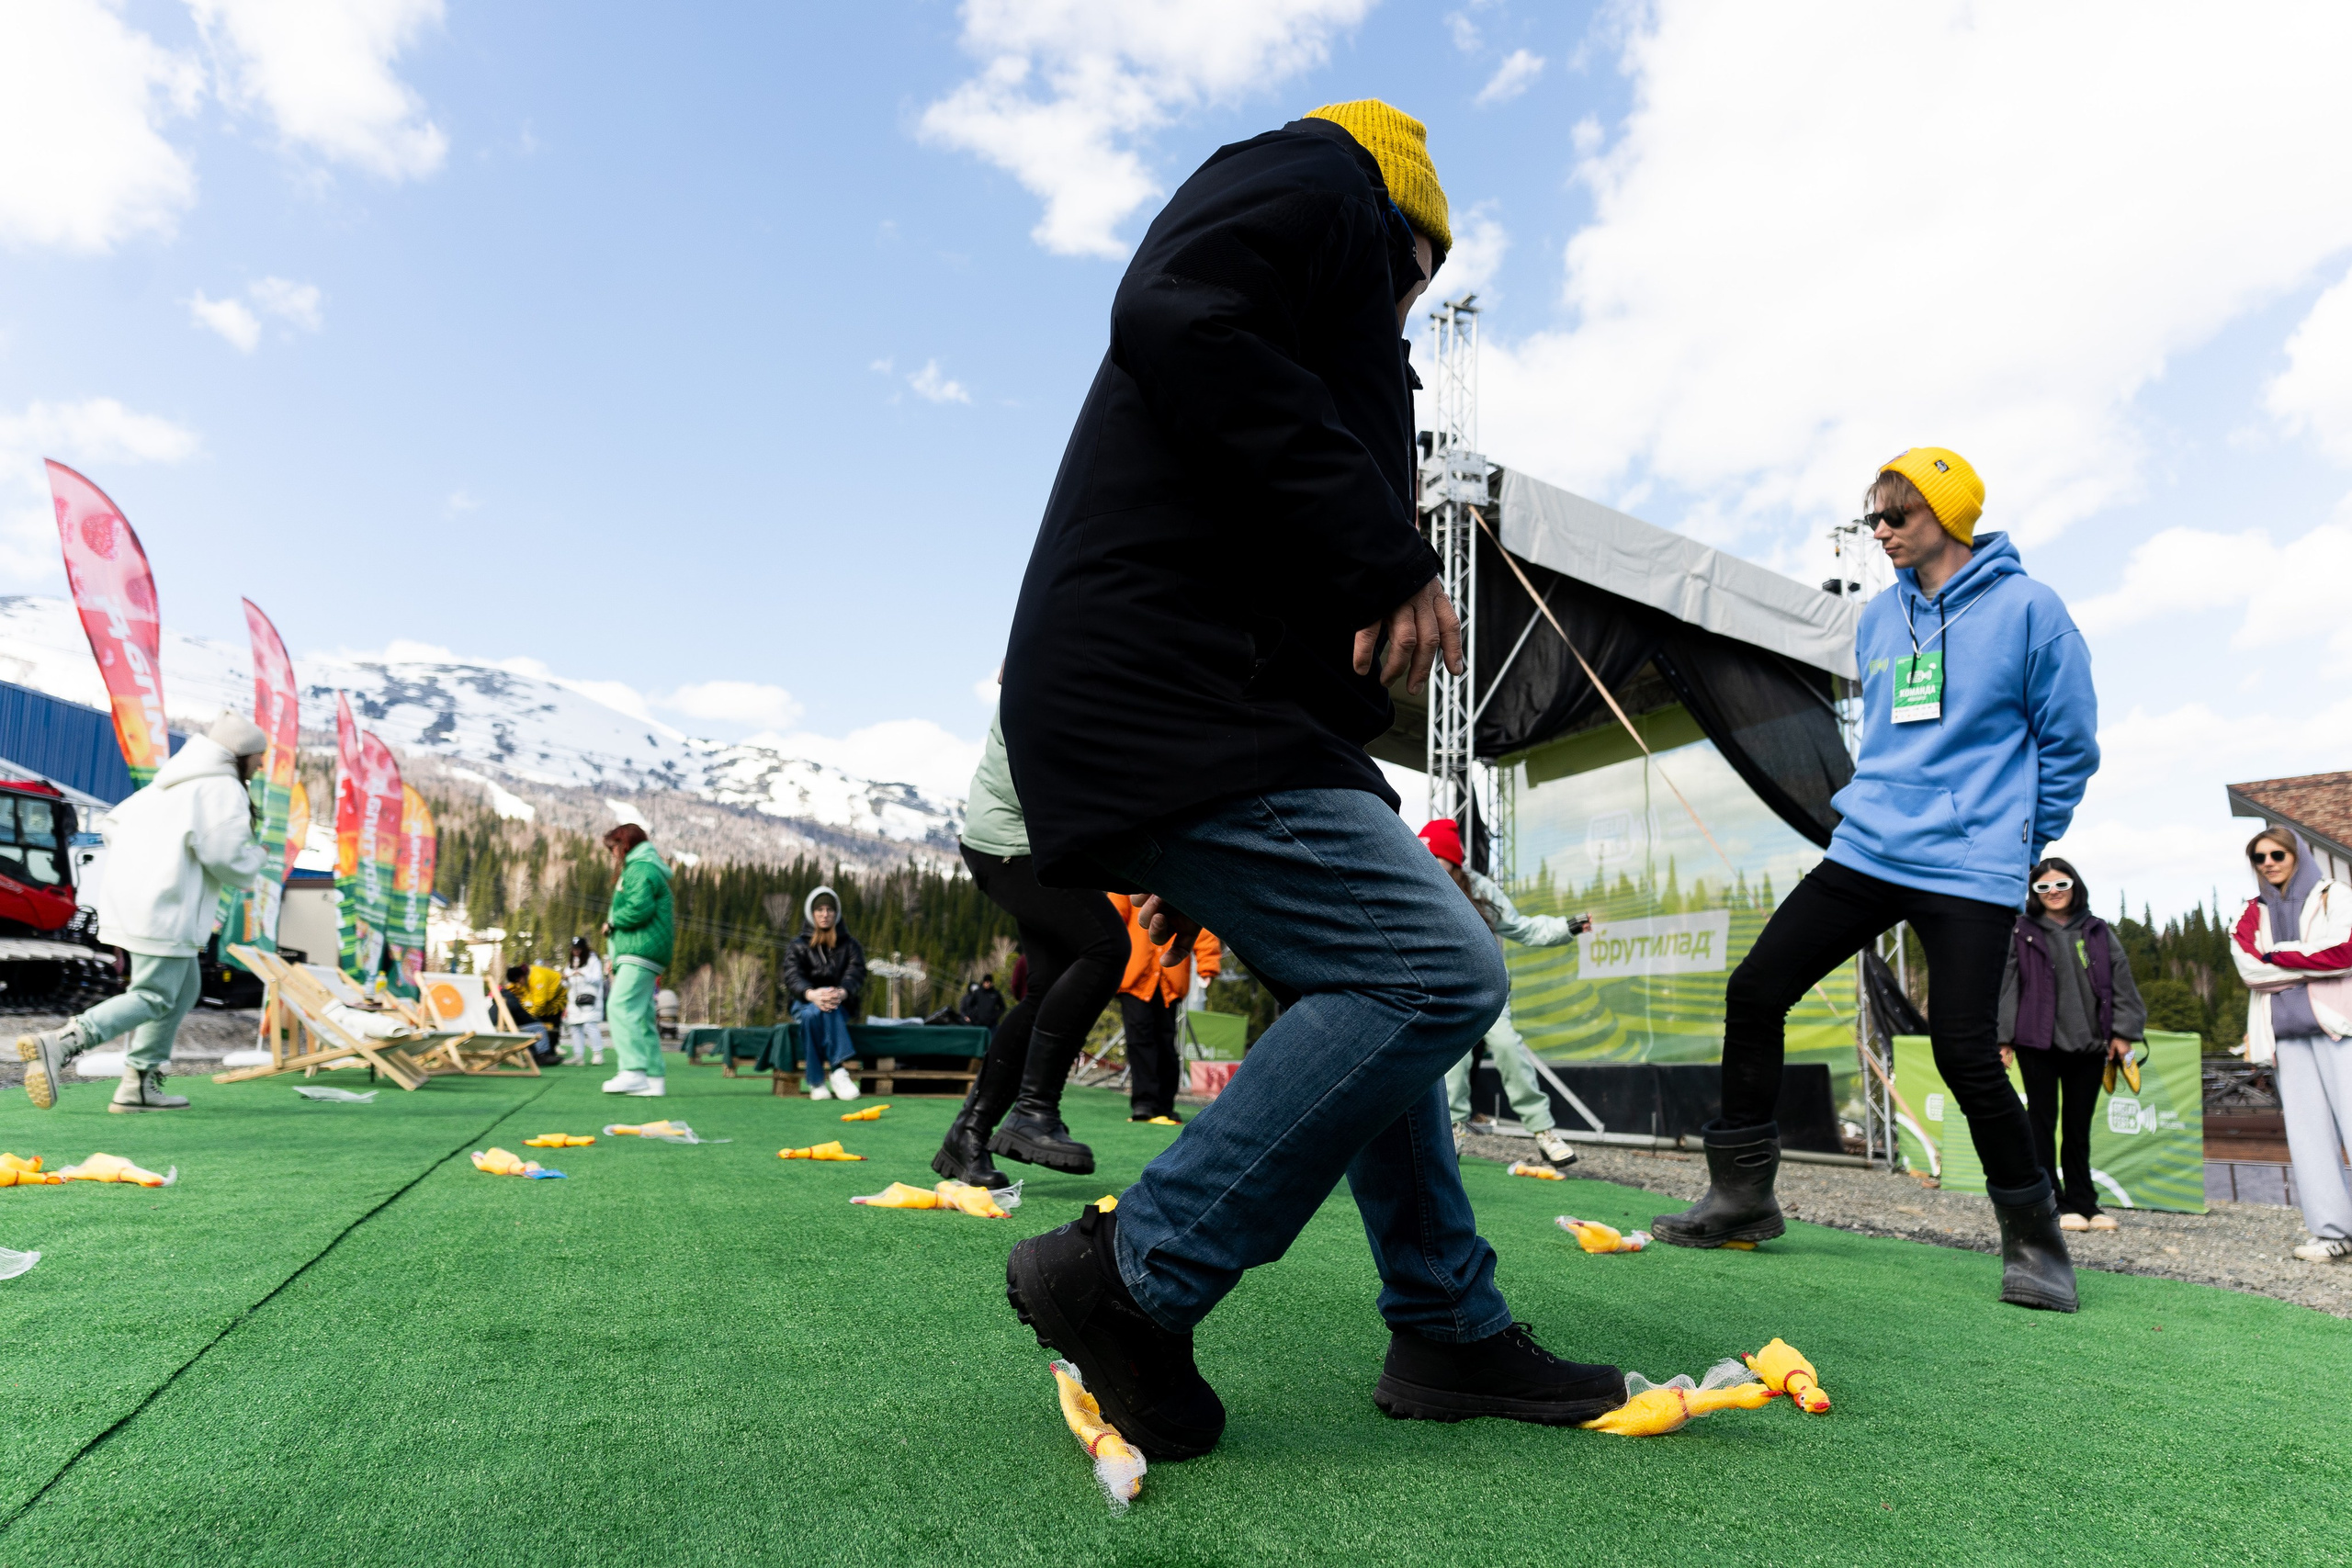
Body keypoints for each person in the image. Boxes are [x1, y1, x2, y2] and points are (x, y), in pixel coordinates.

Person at [1001, 99, 1627, 1463]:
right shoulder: (1326, 180)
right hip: (1170, 692)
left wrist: (1349, 640)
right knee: (1438, 971)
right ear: (1412, 233)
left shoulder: (1327, 266)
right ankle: (1133, 1271)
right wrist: (1379, 548)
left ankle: (1447, 1321)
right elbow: (1174, 312)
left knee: (1378, 964)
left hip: (1220, 698)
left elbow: (1252, 461)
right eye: (1417, 290)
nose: (1406, 320)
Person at [1651, 448, 2100, 1314]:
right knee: (1756, 989)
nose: (1883, 533)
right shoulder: (1878, 619)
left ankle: (2037, 1240)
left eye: (1900, 516)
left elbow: (2071, 746)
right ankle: (1742, 1195)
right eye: (1874, 520)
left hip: (1969, 864)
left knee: (1967, 1050)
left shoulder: (2033, 611)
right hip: (1868, 849)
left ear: (1952, 516)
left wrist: (2016, 839)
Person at [17, 714, 268, 1113]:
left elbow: (113, 824)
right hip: (168, 907)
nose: (261, 765)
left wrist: (153, 862)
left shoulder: (169, 784)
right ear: (238, 754)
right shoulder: (222, 787)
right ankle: (62, 1043)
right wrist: (256, 857)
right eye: (258, 757)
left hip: (144, 901)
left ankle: (138, 1084)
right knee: (153, 995)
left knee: (183, 991)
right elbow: (225, 854)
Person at [936, 696, 1128, 1185]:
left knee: (1050, 985)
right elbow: (1052, 774)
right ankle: (1033, 1111)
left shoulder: (1085, 655)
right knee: (1105, 946)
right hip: (1013, 842)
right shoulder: (1058, 658)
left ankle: (969, 1135)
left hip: (1023, 843)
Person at [1418, 819, 1589, 1170]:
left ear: (1451, 859)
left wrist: (1566, 926)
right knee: (1455, 1058)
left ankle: (1544, 1133)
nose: (1424, 859)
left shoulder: (1480, 889)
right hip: (1444, 989)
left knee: (1509, 1047)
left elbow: (1522, 927)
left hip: (1487, 986)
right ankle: (1453, 1129)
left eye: (1432, 853)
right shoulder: (1414, 884)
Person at [1996, 857, 2146, 1232]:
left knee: (2078, 1127)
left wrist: (2123, 1033)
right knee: (2041, 1124)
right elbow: (2007, 986)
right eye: (2043, 887)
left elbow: (2121, 980)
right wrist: (2002, 1039)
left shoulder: (2097, 930)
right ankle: (2053, 1203)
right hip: (2036, 1043)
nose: (2053, 893)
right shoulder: (2021, 930)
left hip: (2091, 1044)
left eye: (2061, 884)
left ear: (2075, 886)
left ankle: (2085, 1203)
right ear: (2033, 893)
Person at [2229, 827, 2352, 1264]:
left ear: (2296, 853)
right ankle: (2332, 1232)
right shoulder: (2250, 912)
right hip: (2284, 1036)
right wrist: (2308, 961)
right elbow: (2248, 969)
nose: (2269, 863)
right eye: (2259, 857)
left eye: (2277, 853)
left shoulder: (2334, 895)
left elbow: (2346, 951)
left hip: (2341, 1029)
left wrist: (2277, 955)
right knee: (2308, 1137)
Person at [1111, 893, 1221, 1124]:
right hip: (1135, 979)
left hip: (1169, 981)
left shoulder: (1180, 877)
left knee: (1166, 1042)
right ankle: (1144, 1103)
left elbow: (1202, 926)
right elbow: (1111, 918)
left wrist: (1208, 965)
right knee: (1139, 1042)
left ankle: (1165, 1105)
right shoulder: (1124, 882)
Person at [599, 823, 673, 1097]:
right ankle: (654, 1079)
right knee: (641, 1015)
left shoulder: (640, 868)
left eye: (614, 848)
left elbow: (639, 909)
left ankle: (632, 1071)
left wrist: (612, 922)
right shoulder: (646, 866)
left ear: (625, 845)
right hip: (646, 951)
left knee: (619, 1006)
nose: (613, 854)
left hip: (641, 951)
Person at [782, 886, 866, 1100]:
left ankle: (817, 1081)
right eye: (819, 909)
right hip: (805, 1001)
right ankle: (838, 1070)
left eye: (829, 909)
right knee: (812, 1011)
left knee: (818, 1013)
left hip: (840, 1003)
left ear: (836, 913)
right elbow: (792, 976)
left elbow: (856, 973)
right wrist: (811, 995)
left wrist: (841, 992)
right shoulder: (797, 946)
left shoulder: (850, 945)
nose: (825, 914)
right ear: (811, 913)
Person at [501, 964, 560, 1066]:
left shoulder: (503, 996)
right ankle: (542, 1055)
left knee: (532, 1025)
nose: (519, 986)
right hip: (507, 1029)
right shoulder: (512, 1000)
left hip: (499, 1027)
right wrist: (535, 1019)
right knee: (539, 1027)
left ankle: (539, 1053)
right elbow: (527, 1015)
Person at [563, 935, 607, 1067]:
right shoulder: (570, 963)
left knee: (590, 1025)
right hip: (574, 1000)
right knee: (575, 1027)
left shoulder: (593, 961)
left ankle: (598, 1054)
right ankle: (578, 1056)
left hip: (589, 998)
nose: (576, 951)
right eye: (573, 948)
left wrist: (583, 975)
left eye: (578, 949)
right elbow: (567, 984)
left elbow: (598, 979)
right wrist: (565, 979)